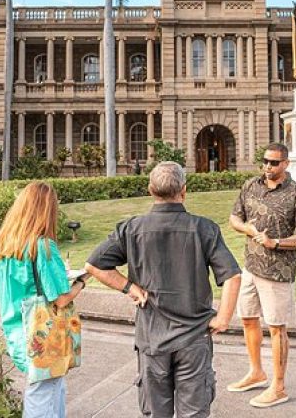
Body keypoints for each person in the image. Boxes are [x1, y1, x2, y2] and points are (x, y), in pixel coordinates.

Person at [85, 161, 241, 418]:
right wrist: (223, 318)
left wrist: (129, 287)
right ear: (184, 190)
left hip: (152, 337)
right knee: (194, 413)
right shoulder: (204, 228)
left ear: (150, 190)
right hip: (193, 337)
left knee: (156, 413)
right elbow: (233, 275)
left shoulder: (131, 229)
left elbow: (94, 265)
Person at [227, 142, 296, 408]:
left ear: (286, 164)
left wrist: (275, 243)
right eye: (265, 161)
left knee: (276, 328)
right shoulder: (250, 186)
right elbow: (234, 218)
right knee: (248, 319)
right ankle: (256, 372)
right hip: (250, 267)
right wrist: (246, 228)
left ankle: (278, 387)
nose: (268, 167)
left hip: (278, 272)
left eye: (274, 163)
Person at [0, 182, 89, 418]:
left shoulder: (2, 244)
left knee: (45, 389)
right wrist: (83, 280)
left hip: (16, 327)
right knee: (44, 396)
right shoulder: (43, 246)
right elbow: (61, 299)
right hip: (43, 332)